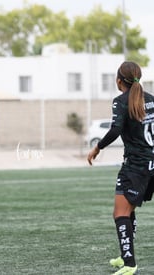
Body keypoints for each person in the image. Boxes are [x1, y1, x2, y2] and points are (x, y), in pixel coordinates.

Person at [87, 61, 154, 275]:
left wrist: (97, 148)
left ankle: (130, 264)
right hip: (152, 165)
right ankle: (126, 257)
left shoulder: (120, 101)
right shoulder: (151, 99)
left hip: (136, 167)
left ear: (118, 81)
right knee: (129, 209)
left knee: (120, 213)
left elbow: (115, 129)